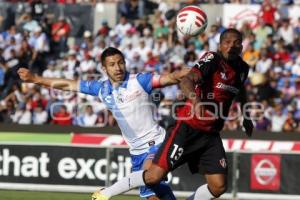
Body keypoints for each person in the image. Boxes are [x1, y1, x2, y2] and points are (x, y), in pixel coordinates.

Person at [91, 28, 254, 200]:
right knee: (154, 176)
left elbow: (240, 91)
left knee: (218, 186)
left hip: (210, 134)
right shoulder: (212, 59)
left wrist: (246, 115)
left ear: (242, 46)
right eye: (227, 42)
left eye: (236, 43)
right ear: (220, 45)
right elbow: (186, 80)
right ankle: (105, 193)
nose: (231, 46)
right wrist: (196, 100)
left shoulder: (242, 68)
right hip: (188, 128)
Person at [18, 47, 190, 200]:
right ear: (104, 68)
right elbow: (68, 85)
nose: (118, 68)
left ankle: (105, 193)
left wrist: (185, 73)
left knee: (150, 175)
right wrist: (35, 78)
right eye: (112, 64)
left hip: (156, 143)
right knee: (154, 195)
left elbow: (169, 78)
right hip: (136, 152)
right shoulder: (101, 89)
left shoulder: (139, 81)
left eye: (121, 63)